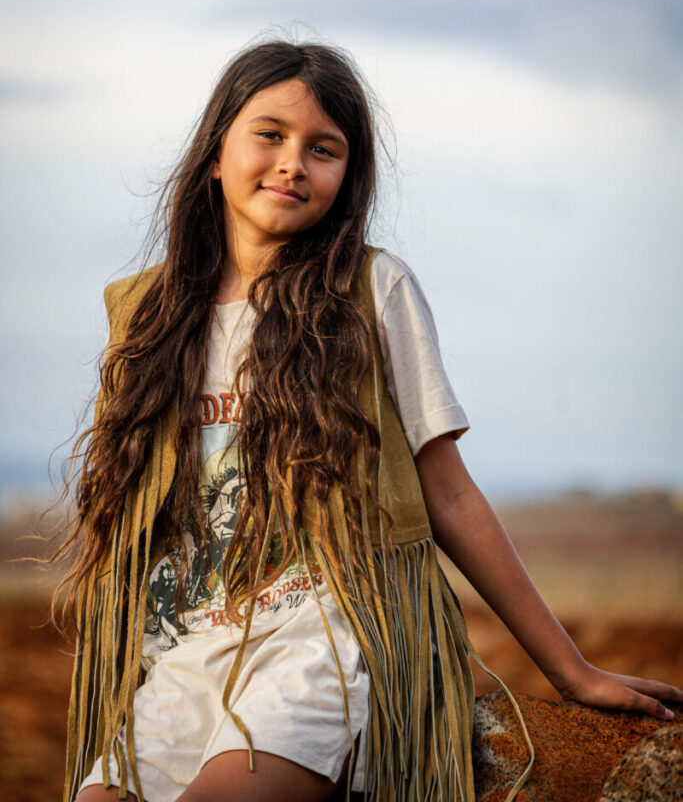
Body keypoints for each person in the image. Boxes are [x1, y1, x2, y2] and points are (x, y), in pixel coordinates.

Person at [56, 39, 682, 802]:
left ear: (347, 179)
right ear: (215, 154)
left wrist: (569, 671)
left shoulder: (370, 290)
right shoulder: (145, 312)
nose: (293, 163)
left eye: (323, 149)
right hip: (187, 650)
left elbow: (447, 491)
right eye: (269, 135)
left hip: (325, 644)